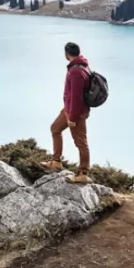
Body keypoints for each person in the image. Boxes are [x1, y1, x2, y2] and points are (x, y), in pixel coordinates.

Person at [41, 41, 91, 184]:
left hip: (75, 112)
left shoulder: (76, 71)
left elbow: (76, 97)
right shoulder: (82, 66)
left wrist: (72, 118)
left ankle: (83, 173)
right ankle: (56, 162)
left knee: (81, 142)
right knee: (55, 128)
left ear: (67, 54)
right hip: (69, 109)